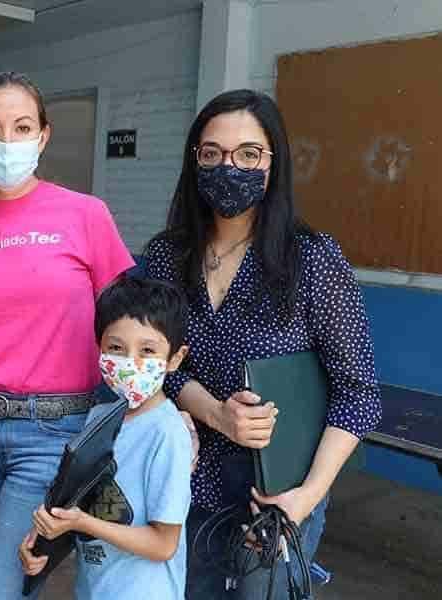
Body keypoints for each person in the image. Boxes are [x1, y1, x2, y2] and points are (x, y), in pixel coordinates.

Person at [143, 89, 382, 599]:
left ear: (274, 163)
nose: (229, 168)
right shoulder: (167, 256)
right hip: (184, 484)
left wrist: (304, 499)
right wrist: (214, 412)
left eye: (248, 154)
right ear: (194, 161)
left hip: (276, 497)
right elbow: (157, 365)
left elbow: (358, 394)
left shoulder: (311, 260)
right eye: (212, 153)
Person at [0, 71, 137, 600]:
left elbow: (129, 324)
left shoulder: (84, 214)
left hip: (53, 432)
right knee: (4, 576)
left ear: (43, 136)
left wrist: (159, 407)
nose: (7, 141)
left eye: (22, 127)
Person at [19, 276, 193, 600]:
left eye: (147, 350)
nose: (130, 362)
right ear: (99, 347)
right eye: (116, 348)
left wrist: (81, 523)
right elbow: (78, 498)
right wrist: (43, 539)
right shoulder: (99, 417)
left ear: (175, 359)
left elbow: (163, 544)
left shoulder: (167, 434)